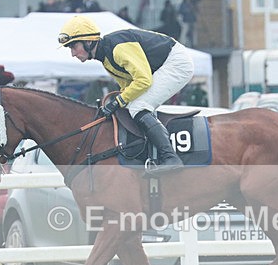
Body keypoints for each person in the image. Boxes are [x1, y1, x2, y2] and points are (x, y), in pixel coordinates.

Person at [58, 15, 193, 174]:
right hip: (164, 64)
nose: (73, 53)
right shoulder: (106, 58)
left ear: (88, 41)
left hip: (176, 63)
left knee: (139, 106)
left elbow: (143, 80)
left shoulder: (117, 49)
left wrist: (117, 102)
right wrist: (119, 102)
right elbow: (128, 85)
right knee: (131, 106)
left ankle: (170, 157)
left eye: (74, 46)